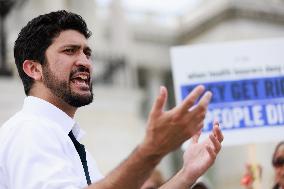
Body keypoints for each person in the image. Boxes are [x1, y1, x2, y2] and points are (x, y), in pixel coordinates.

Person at [0, 10, 223, 189]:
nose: (85, 62)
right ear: (34, 69)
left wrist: (186, 175)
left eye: (87, 53)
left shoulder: (65, 138)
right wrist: (152, 150)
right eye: (70, 51)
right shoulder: (29, 131)